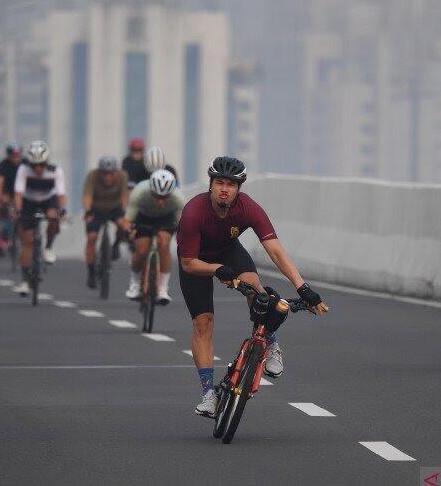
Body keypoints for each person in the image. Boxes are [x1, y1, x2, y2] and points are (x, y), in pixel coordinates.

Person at [177, 156, 329, 417]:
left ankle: (270, 341)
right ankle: (208, 394)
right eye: (220, 183)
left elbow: (275, 250)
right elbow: (189, 263)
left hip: (227, 252)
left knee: (257, 290)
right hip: (197, 261)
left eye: (231, 184)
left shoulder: (248, 209)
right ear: (211, 184)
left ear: (239, 188)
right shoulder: (193, 211)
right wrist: (216, 269)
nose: (225, 189)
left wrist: (302, 287)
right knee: (203, 323)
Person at [13, 141, 68, 295]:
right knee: (28, 242)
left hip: (48, 200)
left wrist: (62, 210)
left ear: (47, 162)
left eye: (41, 165)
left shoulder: (56, 171)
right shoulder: (23, 169)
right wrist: (18, 211)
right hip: (28, 200)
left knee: (53, 217)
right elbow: (18, 193)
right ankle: (24, 280)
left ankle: (49, 246)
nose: (38, 169)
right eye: (34, 165)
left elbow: (61, 194)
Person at [121, 169, 183, 304]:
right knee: (142, 250)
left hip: (166, 219)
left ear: (171, 192)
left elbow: (182, 224)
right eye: (156, 196)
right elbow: (127, 220)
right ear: (150, 191)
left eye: (164, 197)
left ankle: (162, 289)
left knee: (164, 245)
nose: (160, 202)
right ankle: (135, 283)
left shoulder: (178, 198)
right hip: (144, 218)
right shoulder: (139, 192)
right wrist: (127, 231)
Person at [82, 156, 129, 289]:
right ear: (100, 172)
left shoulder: (122, 176)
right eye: (104, 174)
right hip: (96, 209)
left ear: (115, 172)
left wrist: (125, 213)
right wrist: (88, 211)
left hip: (115, 208)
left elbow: (125, 196)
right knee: (92, 238)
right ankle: (91, 270)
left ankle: (116, 244)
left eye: (111, 174)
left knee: (122, 224)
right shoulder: (93, 176)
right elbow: (87, 196)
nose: (108, 177)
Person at [0, 142, 23, 253]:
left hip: (21, 194)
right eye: (14, 155)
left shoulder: (25, 164)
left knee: (20, 217)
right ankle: (3, 237)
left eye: (18, 155)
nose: (16, 158)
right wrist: (1, 197)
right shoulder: (3, 165)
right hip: (8, 193)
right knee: (4, 213)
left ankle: (18, 239)